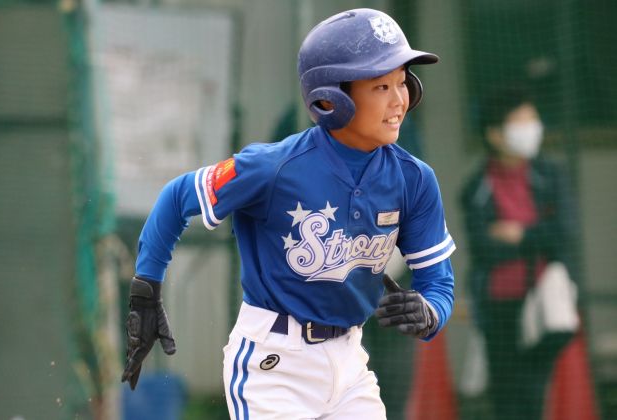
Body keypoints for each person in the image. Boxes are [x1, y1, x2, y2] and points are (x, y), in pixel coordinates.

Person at [121, 8, 456, 419]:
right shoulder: (273, 167)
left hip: (350, 362)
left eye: (403, 82)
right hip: (275, 363)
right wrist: (146, 288)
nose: (399, 100)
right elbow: (177, 197)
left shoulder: (414, 178)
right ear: (331, 99)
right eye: (381, 86)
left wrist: (430, 312)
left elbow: (438, 281)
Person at [460, 86, 576, 420]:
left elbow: (564, 233)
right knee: (506, 398)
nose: (531, 129)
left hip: (543, 299)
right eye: (520, 122)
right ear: (494, 134)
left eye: (533, 120)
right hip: (498, 305)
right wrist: (535, 238)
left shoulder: (551, 176)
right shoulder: (476, 187)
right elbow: (482, 247)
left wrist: (520, 234)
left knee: (533, 393)